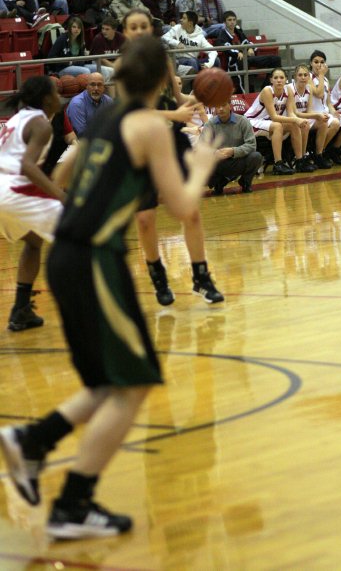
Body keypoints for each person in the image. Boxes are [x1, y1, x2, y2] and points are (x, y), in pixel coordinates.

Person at [0, 35, 219, 540]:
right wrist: (203, 164)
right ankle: (72, 499)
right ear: (164, 79)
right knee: (133, 383)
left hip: (72, 253)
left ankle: (34, 443)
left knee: (107, 383)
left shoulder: (102, 120)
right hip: (95, 257)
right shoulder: (148, 128)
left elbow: (62, 169)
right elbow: (184, 206)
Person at [122, 8, 224, 305]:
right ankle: (158, 278)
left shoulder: (164, 61)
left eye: (144, 26)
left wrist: (200, 96)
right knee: (145, 218)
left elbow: (179, 101)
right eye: (133, 27)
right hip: (141, 146)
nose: (140, 31)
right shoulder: (124, 69)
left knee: (190, 210)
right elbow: (132, 112)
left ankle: (201, 277)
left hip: (172, 139)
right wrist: (175, 112)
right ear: (126, 33)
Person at [0, 76, 65, 331]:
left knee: (34, 241)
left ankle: (21, 309)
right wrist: (60, 195)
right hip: (13, 189)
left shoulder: (17, 118)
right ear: (46, 98)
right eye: (55, 91)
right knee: (81, 232)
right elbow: (27, 166)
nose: (59, 95)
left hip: (4, 187)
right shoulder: (41, 124)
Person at [244, 67, 307, 175]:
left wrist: (296, 120)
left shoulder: (289, 91)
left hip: (268, 122)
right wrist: (296, 119)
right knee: (278, 125)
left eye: (281, 77)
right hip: (252, 121)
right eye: (276, 78)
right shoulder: (267, 91)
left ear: (286, 79)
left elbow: (291, 112)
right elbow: (274, 117)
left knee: (294, 125)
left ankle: (299, 161)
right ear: (271, 80)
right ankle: (278, 164)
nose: (279, 80)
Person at [201, 99, 263, 195]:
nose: (220, 109)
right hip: (218, 162)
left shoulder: (243, 121)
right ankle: (218, 183)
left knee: (256, 157)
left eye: (223, 105)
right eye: (218, 106)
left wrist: (233, 151)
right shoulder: (210, 124)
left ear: (230, 106)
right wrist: (214, 153)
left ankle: (245, 182)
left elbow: (252, 145)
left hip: (237, 160)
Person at [215, 10, 282, 94]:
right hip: (236, 61)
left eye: (233, 20)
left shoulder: (238, 30)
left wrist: (250, 48)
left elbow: (247, 41)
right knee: (241, 63)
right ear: (224, 22)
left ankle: (267, 89)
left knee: (275, 59)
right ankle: (246, 94)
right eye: (229, 20)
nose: (232, 22)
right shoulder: (222, 34)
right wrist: (237, 53)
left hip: (248, 58)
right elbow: (225, 47)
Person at [308, 50, 341, 165]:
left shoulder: (325, 80)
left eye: (322, 62)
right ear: (311, 63)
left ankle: (332, 149)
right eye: (316, 62)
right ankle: (318, 153)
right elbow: (318, 94)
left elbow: (328, 102)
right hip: (312, 114)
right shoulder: (307, 77)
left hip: (325, 112)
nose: (319, 65)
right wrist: (321, 75)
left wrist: (334, 112)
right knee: (334, 123)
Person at [288, 63, 337, 170]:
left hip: (302, 117)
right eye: (300, 75)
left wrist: (318, 116)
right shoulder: (290, 89)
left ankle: (318, 155)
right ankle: (302, 158)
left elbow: (309, 110)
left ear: (309, 77)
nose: (303, 77)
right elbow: (295, 113)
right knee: (305, 124)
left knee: (323, 122)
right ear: (295, 76)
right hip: (291, 118)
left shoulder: (309, 88)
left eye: (305, 75)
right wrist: (316, 115)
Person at [47, 16, 113, 80]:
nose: (76, 29)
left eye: (79, 28)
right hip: (62, 68)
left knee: (105, 70)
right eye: (74, 27)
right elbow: (50, 56)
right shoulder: (62, 39)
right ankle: (89, 90)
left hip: (77, 65)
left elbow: (82, 60)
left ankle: (102, 88)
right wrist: (68, 62)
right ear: (70, 28)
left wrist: (86, 57)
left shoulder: (81, 40)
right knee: (85, 71)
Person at [162, 10, 218, 76]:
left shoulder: (200, 36)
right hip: (179, 60)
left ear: (190, 23)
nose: (181, 20)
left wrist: (209, 64)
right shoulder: (177, 28)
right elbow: (164, 37)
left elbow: (213, 51)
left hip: (194, 60)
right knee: (192, 61)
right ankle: (195, 85)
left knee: (216, 61)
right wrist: (176, 43)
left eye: (184, 18)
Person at [66, 72, 113, 137]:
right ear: (87, 86)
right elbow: (82, 134)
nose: (96, 88)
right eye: (92, 84)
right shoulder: (77, 104)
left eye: (99, 85)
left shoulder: (109, 101)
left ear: (104, 87)